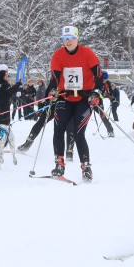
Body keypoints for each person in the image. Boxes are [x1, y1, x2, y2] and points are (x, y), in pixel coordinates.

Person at [47, 24, 103, 183]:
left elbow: (99, 77)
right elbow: (54, 79)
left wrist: (96, 93)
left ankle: (86, 167)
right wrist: (52, 91)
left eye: (71, 38)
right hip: (65, 98)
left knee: (78, 133)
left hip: (84, 100)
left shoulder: (87, 53)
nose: (68, 41)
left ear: (77, 38)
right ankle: (59, 165)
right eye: (65, 39)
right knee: (58, 129)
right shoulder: (57, 55)